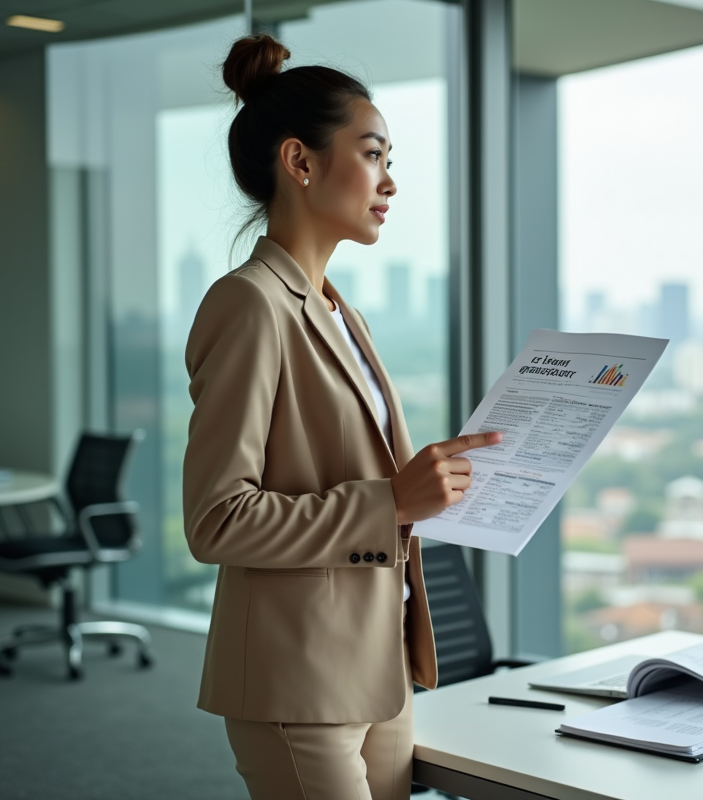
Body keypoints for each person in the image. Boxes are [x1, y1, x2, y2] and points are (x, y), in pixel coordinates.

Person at [181, 34, 501, 800]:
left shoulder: (337, 310)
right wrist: (390, 501)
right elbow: (217, 519)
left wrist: (434, 487)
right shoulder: (249, 304)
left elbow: (345, 476)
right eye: (373, 154)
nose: (390, 181)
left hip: (377, 665)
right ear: (301, 162)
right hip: (299, 682)